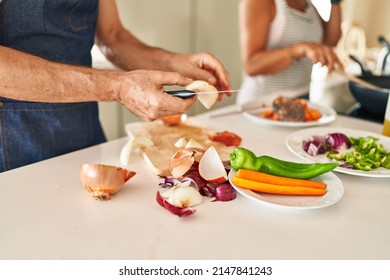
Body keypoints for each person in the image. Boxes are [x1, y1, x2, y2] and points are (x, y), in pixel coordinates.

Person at [0, 0, 231, 172]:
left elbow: (113, 35)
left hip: (84, 133)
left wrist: (174, 63)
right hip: (13, 148)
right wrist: (119, 87)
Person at [236, 0, 343, 106]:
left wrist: (335, 2)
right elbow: (251, 65)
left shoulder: (307, 4)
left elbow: (329, 42)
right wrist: (298, 50)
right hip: (262, 103)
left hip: (301, 99)